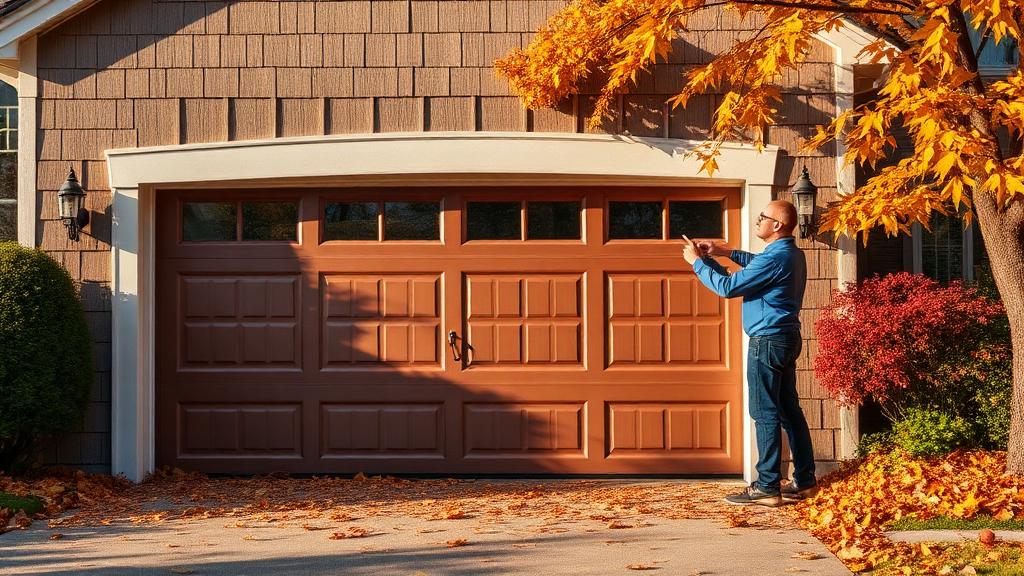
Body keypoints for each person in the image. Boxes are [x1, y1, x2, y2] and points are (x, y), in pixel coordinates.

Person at [680, 200, 816, 507]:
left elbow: (728, 288)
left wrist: (697, 263)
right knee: (788, 412)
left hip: (767, 341)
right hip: (784, 337)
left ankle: (767, 486)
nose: (758, 221)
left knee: (764, 411)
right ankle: (805, 481)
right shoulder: (789, 253)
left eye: (762, 217)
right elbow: (755, 265)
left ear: (777, 225)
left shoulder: (775, 258)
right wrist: (722, 253)